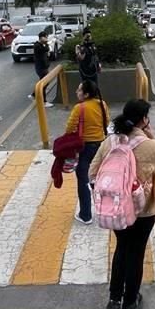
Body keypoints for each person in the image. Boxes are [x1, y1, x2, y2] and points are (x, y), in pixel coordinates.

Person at [90, 99, 155, 309]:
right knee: (136, 254)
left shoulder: (110, 141)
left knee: (122, 250)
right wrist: (151, 135)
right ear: (144, 120)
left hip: (115, 210)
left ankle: (114, 301)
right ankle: (130, 304)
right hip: (142, 212)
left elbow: (92, 172)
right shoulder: (150, 146)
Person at [66, 79, 109, 224]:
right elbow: (106, 122)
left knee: (83, 179)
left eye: (79, 90)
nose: (76, 92)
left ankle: (85, 215)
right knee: (99, 178)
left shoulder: (80, 108)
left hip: (84, 148)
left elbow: (70, 127)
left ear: (86, 94)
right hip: (101, 146)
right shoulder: (102, 104)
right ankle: (106, 210)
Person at [29, 30, 53, 107]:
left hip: (43, 66)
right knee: (44, 84)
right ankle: (44, 102)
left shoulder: (41, 45)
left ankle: (33, 95)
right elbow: (46, 49)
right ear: (41, 37)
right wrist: (46, 43)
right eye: (45, 37)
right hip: (40, 68)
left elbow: (47, 51)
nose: (46, 39)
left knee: (42, 83)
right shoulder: (37, 45)